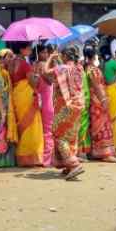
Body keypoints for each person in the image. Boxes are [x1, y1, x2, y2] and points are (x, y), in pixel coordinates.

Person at [43, 46, 85, 179]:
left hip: (66, 105)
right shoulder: (79, 68)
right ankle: (67, 166)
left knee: (59, 135)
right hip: (78, 105)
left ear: (65, 56)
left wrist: (51, 57)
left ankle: (74, 165)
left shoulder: (62, 68)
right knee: (71, 136)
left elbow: (45, 72)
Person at [10, 43, 45, 167]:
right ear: (21, 48)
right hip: (26, 96)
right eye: (28, 47)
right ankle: (31, 157)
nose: (30, 50)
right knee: (32, 125)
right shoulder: (25, 64)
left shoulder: (12, 62)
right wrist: (37, 75)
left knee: (22, 123)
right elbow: (33, 83)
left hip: (16, 95)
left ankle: (22, 156)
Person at [85, 46, 116, 163]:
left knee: (97, 126)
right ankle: (105, 153)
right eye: (96, 55)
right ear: (93, 56)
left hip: (95, 100)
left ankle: (97, 152)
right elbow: (97, 86)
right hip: (98, 101)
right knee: (102, 126)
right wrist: (104, 99)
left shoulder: (89, 69)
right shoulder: (93, 70)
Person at [36, 43, 57, 166]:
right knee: (48, 130)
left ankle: (44, 157)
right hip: (46, 101)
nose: (45, 54)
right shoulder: (42, 65)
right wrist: (52, 59)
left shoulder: (36, 65)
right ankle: (46, 159)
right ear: (38, 53)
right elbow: (51, 79)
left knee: (44, 129)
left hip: (40, 99)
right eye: (43, 52)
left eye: (46, 53)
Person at [103, 45, 116, 154]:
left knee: (108, 121)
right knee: (115, 121)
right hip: (114, 92)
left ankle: (107, 147)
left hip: (106, 92)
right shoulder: (114, 63)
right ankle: (114, 148)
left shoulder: (102, 64)